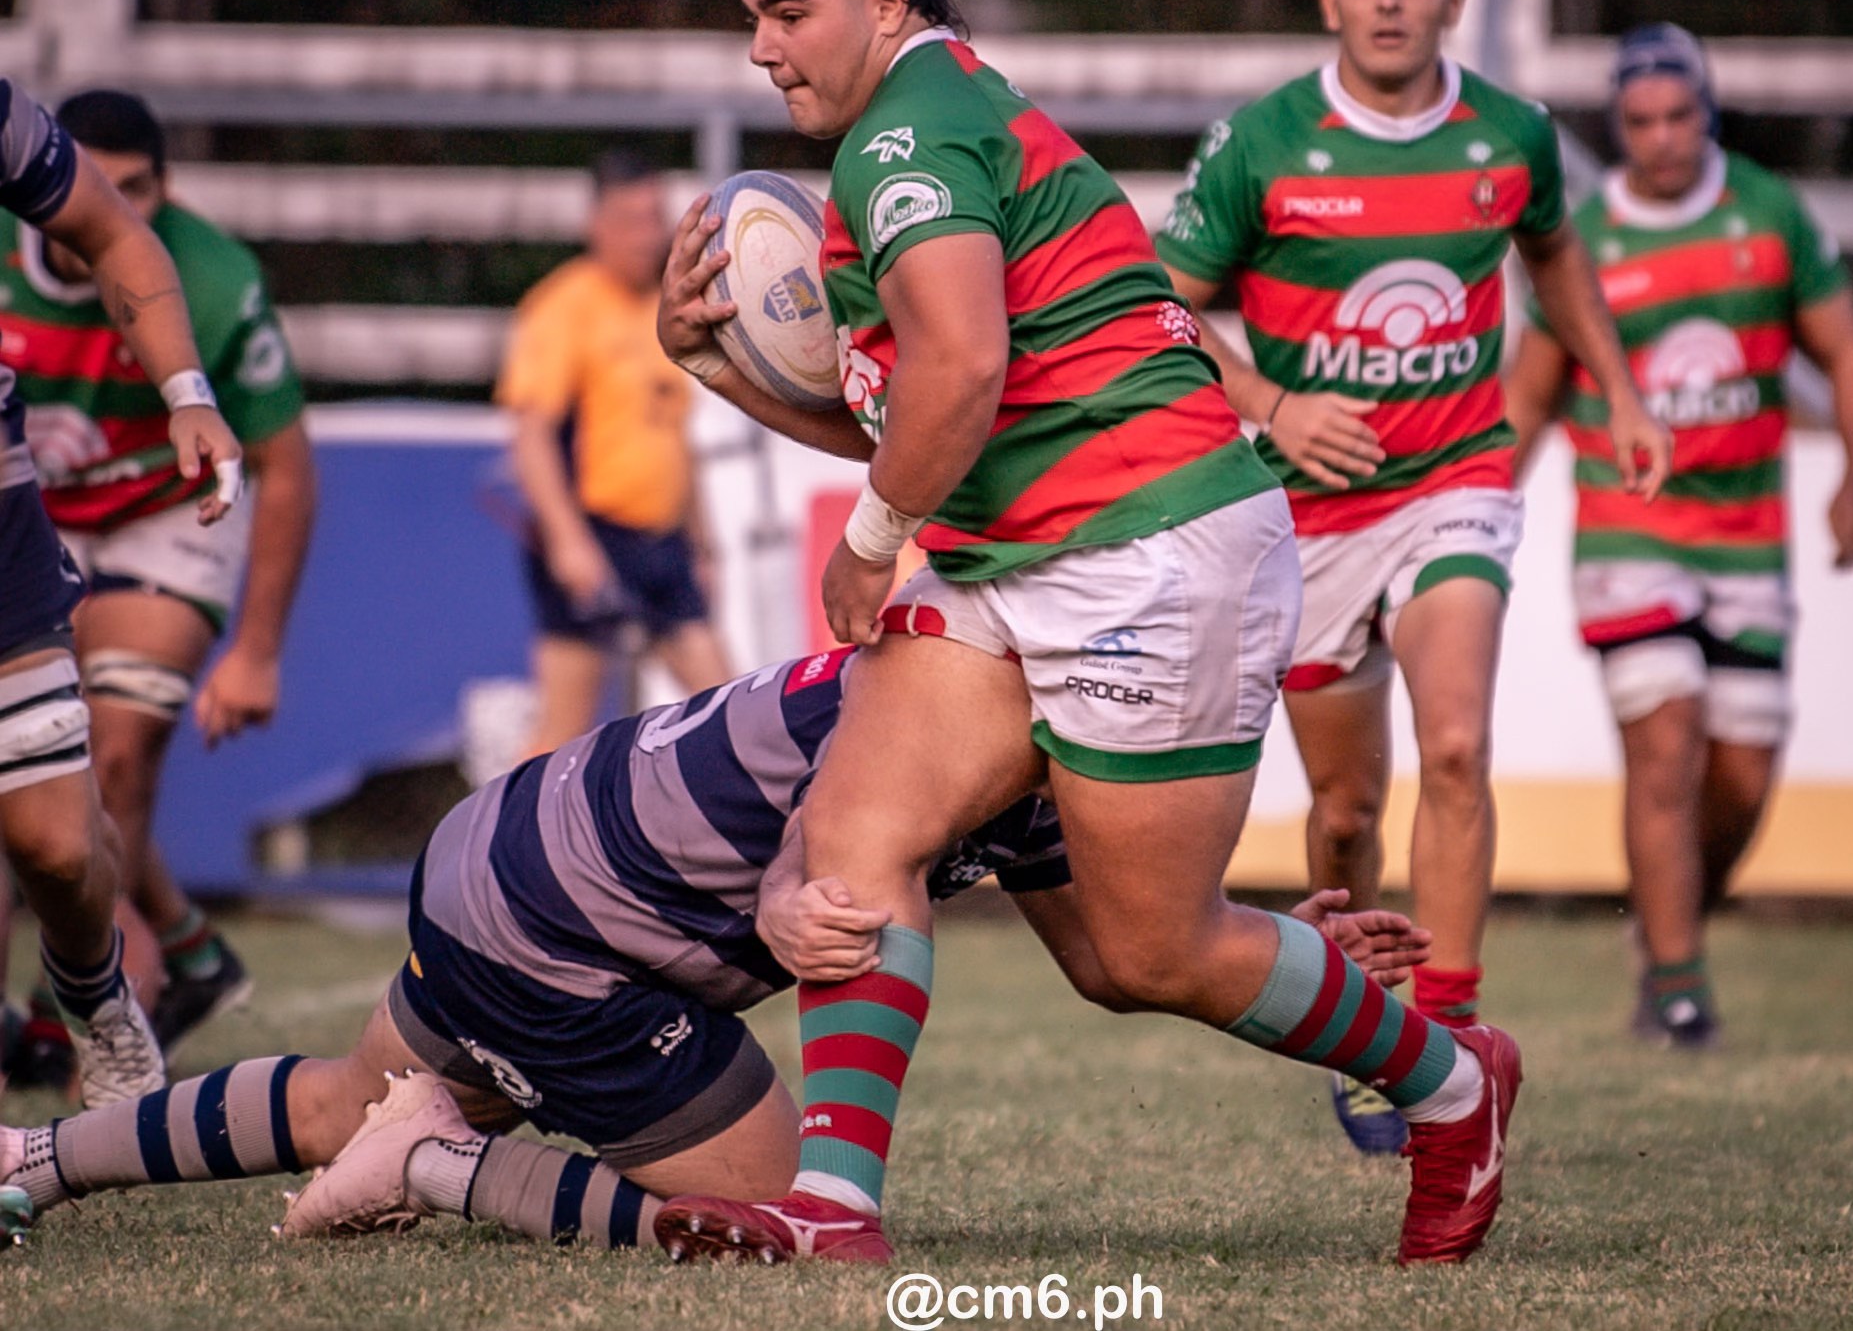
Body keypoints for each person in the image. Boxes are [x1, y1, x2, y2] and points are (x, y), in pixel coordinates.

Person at [651, 0, 1522, 1267]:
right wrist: (712, 365)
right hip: (1023, 549)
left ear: (884, 3)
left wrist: (871, 542)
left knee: (1145, 954)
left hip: (1147, 547)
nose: (761, 44)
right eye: (752, 15)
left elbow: (965, 366)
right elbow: (919, 404)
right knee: (861, 838)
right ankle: (835, 1206)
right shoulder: (936, 115)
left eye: (785, 9)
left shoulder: (905, 137)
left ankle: (1456, 1086)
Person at [0, 647, 1433, 1251]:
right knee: (788, 1226)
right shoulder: (994, 722)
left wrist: (1259, 936)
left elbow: (1120, 948)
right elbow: (829, 833)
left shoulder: (998, 688)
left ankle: (34, 1161)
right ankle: (435, 1156)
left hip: (501, 849)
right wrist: (787, 908)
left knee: (335, 1101)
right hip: (565, 931)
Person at [1152, 0, 1671, 1151]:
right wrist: (1274, 400)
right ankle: (1369, 1014)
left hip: (1455, 480)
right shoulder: (1263, 143)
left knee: (1453, 745)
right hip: (1306, 514)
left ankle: (1451, 1035)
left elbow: (1551, 256)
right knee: (1342, 809)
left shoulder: (1510, 135)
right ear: (1330, 0)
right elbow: (1158, 305)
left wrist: (1616, 386)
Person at [1504, 24, 1853, 1046]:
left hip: (1747, 536)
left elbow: (1844, 351)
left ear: (1705, 112)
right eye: (1638, 122)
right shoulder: (1580, 240)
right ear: (1615, 127)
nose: (1660, 138)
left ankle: (1667, 927)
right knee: (1662, 744)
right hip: (1627, 531)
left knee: (1740, 776)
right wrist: (1477, 513)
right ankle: (1676, 989)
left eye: (1678, 116)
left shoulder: (1766, 214)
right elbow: (1528, 399)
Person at [0, 89, 314, 1073]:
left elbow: (288, 465)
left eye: (131, 191)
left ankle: (77, 1008)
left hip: (160, 507)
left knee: (120, 756)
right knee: (44, 777)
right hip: (28, 503)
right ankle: (180, 947)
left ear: (161, 191)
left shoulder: (212, 277)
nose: (97, 214)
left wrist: (256, 652)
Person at [497, 150, 731, 757]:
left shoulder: (668, 309)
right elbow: (532, 438)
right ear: (594, 224)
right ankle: (501, 847)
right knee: (562, 733)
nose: (645, 235)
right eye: (629, 219)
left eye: (654, 218)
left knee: (727, 705)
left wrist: (702, 544)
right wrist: (569, 540)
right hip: (593, 533)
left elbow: (677, 441)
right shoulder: (563, 307)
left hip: (662, 542)